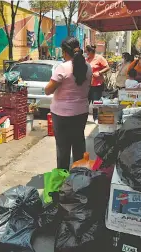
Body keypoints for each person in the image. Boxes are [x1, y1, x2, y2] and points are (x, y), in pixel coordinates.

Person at [44, 37, 92, 171]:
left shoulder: (63, 68)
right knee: (79, 145)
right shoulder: (88, 67)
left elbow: (48, 90)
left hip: (62, 115)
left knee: (63, 149)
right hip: (81, 112)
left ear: (65, 52)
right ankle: (79, 178)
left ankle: (63, 180)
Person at [84, 44, 110, 122]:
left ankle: (96, 118)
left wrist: (99, 72)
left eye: (87, 52)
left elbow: (107, 67)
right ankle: (84, 118)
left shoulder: (99, 58)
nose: (86, 53)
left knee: (95, 102)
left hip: (97, 85)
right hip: (88, 85)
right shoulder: (86, 60)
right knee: (86, 102)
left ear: (91, 51)